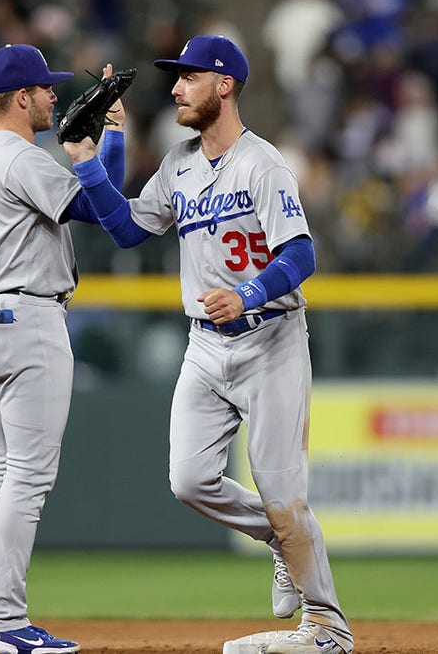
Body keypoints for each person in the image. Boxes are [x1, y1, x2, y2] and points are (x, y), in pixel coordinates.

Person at [63, 35, 354, 654]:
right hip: (205, 346)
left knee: (282, 492)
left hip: (271, 338)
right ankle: (279, 537)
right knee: (189, 480)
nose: (175, 87)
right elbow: (126, 230)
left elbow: (302, 253)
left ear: (225, 85)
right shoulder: (179, 163)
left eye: (189, 77)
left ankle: (327, 626)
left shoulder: (263, 163)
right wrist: (92, 157)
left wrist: (248, 294)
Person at [0, 43, 127, 654]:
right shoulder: (18, 156)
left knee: (6, 474)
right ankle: (2, 622)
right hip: (27, 319)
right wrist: (105, 145)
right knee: (26, 477)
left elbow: (91, 199)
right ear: (21, 97)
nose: (57, 95)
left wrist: (101, 146)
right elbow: (100, 207)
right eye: (47, 88)